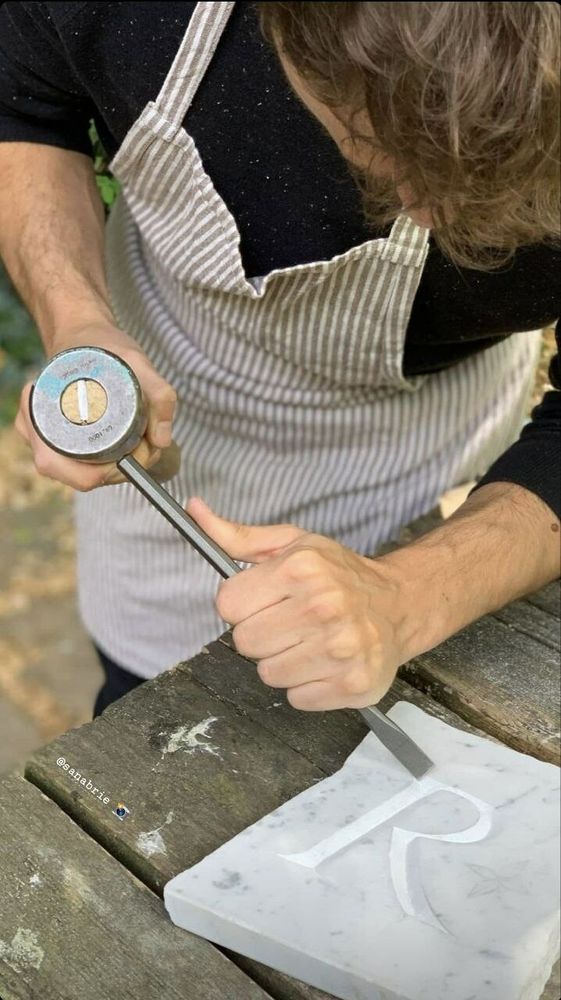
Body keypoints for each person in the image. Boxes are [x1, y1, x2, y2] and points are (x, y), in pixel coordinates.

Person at [0, 1, 559, 718]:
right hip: (168, 362)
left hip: (438, 448)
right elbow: (23, 106)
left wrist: (412, 595)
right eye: (381, 149)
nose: (427, 215)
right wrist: (75, 316)